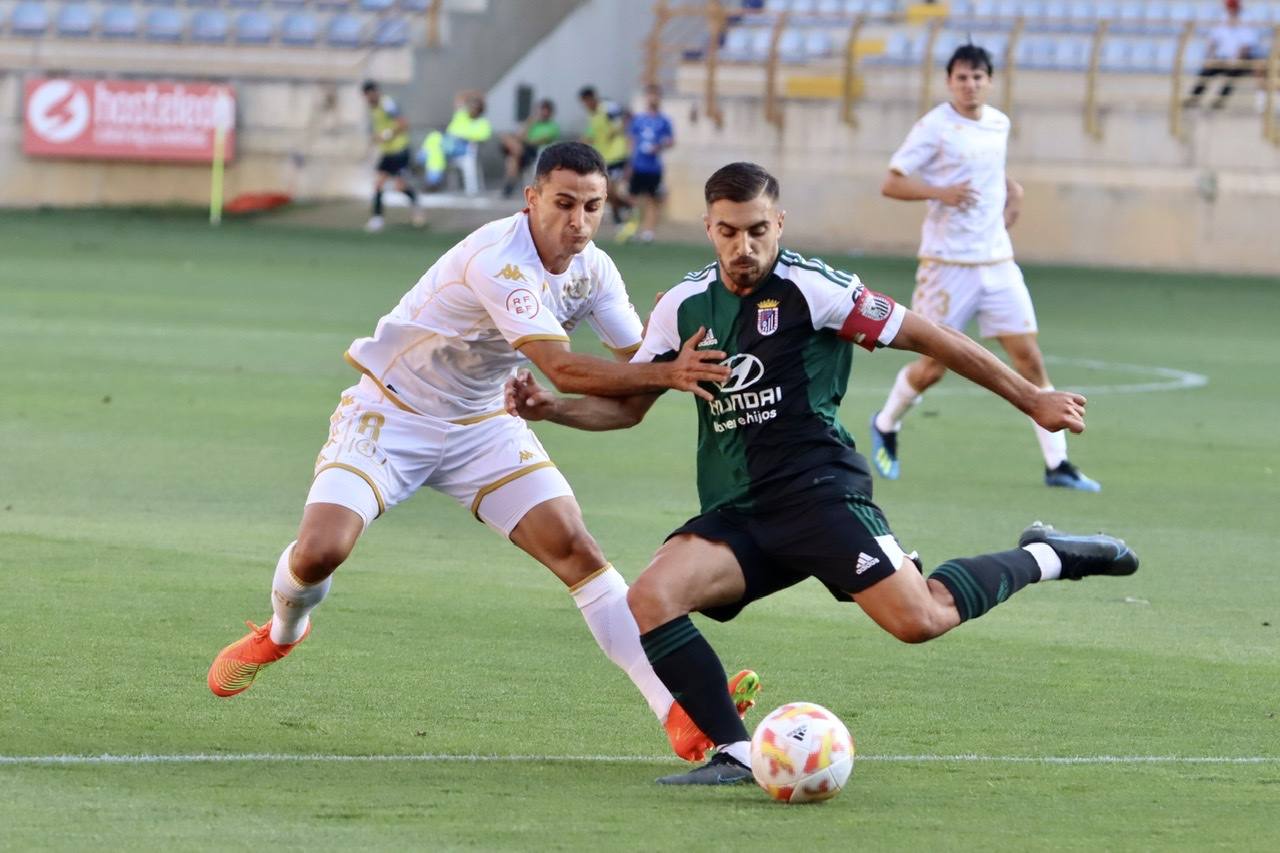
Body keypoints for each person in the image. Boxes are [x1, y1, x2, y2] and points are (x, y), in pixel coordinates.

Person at [505, 161, 1139, 785]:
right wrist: (552, 409)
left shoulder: (817, 290)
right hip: (740, 511)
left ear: (779, 223)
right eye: (728, 231)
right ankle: (733, 752)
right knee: (650, 599)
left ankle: (1046, 556)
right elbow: (629, 408)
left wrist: (1032, 398)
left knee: (919, 620)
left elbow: (932, 337)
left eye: (758, 229)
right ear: (707, 227)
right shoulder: (682, 306)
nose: (744, 246)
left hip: (820, 495)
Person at [206, 142, 759, 764]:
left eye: (593, 207)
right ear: (532, 200)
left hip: (484, 423)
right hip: (392, 413)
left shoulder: (595, 270)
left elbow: (636, 364)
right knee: (320, 552)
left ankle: (676, 710)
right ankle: (282, 633)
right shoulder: (500, 259)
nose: (577, 221)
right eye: (564, 203)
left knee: (578, 552)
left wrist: (694, 344)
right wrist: (670, 373)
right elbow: (565, 370)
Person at [869, 44, 1101, 491]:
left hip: (996, 260)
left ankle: (1058, 464)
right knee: (933, 368)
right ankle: (886, 422)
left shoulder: (998, 123)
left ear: (989, 81)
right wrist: (939, 191)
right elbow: (892, 182)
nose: (970, 85)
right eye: (961, 78)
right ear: (949, 81)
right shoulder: (936, 126)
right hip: (947, 265)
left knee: (1029, 358)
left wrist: (1011, 193)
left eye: (977, 77)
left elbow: (989, 172)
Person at [361, 80, 424, 232]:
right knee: (378, 184)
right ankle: (377, 218)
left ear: (374, 92)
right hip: (388, 152)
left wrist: (386, 134)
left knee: (399, 186)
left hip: (400, 150)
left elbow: (403, 123)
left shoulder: (387, 104)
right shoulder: (372, 108)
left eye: (370, 94)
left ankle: (417, 207)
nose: (368, 98)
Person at [620, 84, 675, 244]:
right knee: (632, 198)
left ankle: (648, 232)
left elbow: (671, 141)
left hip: (654, 167)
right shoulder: (639, 119)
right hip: (638, 165)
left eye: (656, 95)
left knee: (652, 199)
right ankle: (632, 227)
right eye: (651, 95)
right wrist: (629, 163)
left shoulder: (664, 120)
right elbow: (631, 141)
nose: (653, 98)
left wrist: (660, 146)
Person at [1184, 0, 1260, 110]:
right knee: (1206, 72)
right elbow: (1213, 41)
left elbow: (1246, 46)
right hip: (1223, 58)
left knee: (1232, 75)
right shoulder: (1222, 19)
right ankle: (1194, 97)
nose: (1231, 10)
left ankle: (1219, 100)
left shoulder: (1246, 21)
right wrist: (1210, 58)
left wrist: (1236, 61)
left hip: (1239, 59)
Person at [578, 85, 632, 228]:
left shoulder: (608, 108)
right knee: (603, 192)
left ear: (592, 98)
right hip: (603, 158)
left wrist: (615, 132)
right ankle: (625, 207)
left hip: (617, 154)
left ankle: (619, 215)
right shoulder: (592, 116)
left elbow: (625, 119)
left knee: (610, 189)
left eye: (587, 101)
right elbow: (591, 135)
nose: (586, 105)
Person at [421, 90, 493, 194]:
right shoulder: (461, 116)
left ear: (480, 109)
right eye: (471, 106)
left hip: (463, 149)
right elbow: (459, 99)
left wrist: (463, 136)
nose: (472, 109)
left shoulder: (483, 123)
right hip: (448, 146)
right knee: (435, 142)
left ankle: (423, 159)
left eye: (475, 107)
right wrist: (473, 95)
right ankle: (432, 180)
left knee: (435, 143)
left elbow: (482, 138)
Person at [500, 98, 561, 198]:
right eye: (542, 110)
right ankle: (509, 186)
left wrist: (523, 141)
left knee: (513, 155)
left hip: (535, 152)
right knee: (510, 148)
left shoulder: (553, 127)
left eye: (546, 110)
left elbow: (537, 141)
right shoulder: (533, 123)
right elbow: (519, 135)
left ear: (550, 112)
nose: (543, 113)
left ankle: (509, 186)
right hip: (523, 150)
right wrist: (529, 123)